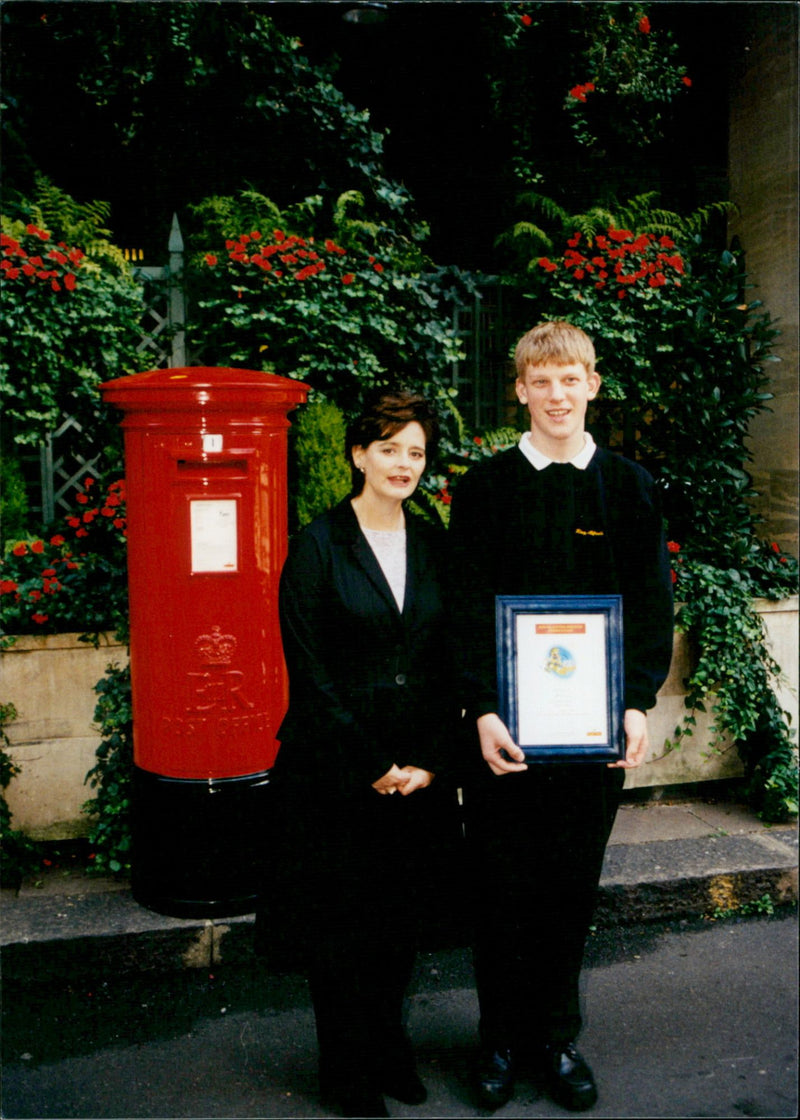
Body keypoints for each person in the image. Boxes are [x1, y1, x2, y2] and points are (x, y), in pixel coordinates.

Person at [448, 321, 674, 1112]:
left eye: (569, 378)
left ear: (593, 385)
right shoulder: (482, 489)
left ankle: (557, 1037)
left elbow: (651, 607)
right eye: (540, 380)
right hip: (504, 738)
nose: (556, 394)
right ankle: (499, 1040)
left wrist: (639, 701)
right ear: (519, 389)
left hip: (593, 738)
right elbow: (466, 609)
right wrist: (479, 707)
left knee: (568, 890)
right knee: (501, 889)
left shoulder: (630, 488)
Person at [268, 388, 460, 1119]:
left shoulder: (435, 540)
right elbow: (309, 672)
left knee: (399, 921)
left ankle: (388, 1046)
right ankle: (345, 1066)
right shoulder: (318, 543)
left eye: (415, 452)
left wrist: (431, 760)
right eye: (389, 449)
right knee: (341, 926)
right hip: (338, 772)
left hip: (419, 769)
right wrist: (373, 762)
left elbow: (450, 658)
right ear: (358, 455)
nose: (403, 464)